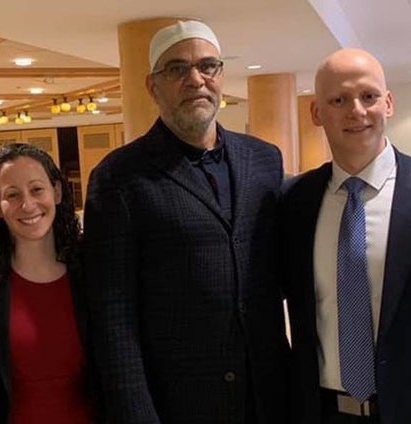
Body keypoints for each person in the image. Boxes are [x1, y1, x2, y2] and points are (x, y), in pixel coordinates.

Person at [83, 20, 290, 424]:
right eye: (176, 69)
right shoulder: (119, 177)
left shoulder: (264, 160)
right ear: (152, 86)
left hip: (268, 395)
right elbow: (112, 315)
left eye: (207, 66)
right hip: (179, 404)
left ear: (220, 76)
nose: (195, 79)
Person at [282, 48, 411, 423]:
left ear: (389, 103)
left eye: (368, 96)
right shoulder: (294, 203)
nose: (356, 111)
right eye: (338, 100)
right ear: (316, 113)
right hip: (322, 411)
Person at [0, 143, 94, 424]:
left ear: (57, 192)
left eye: (37, 189)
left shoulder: (91, 273)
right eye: (12, 195)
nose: (27, 205)